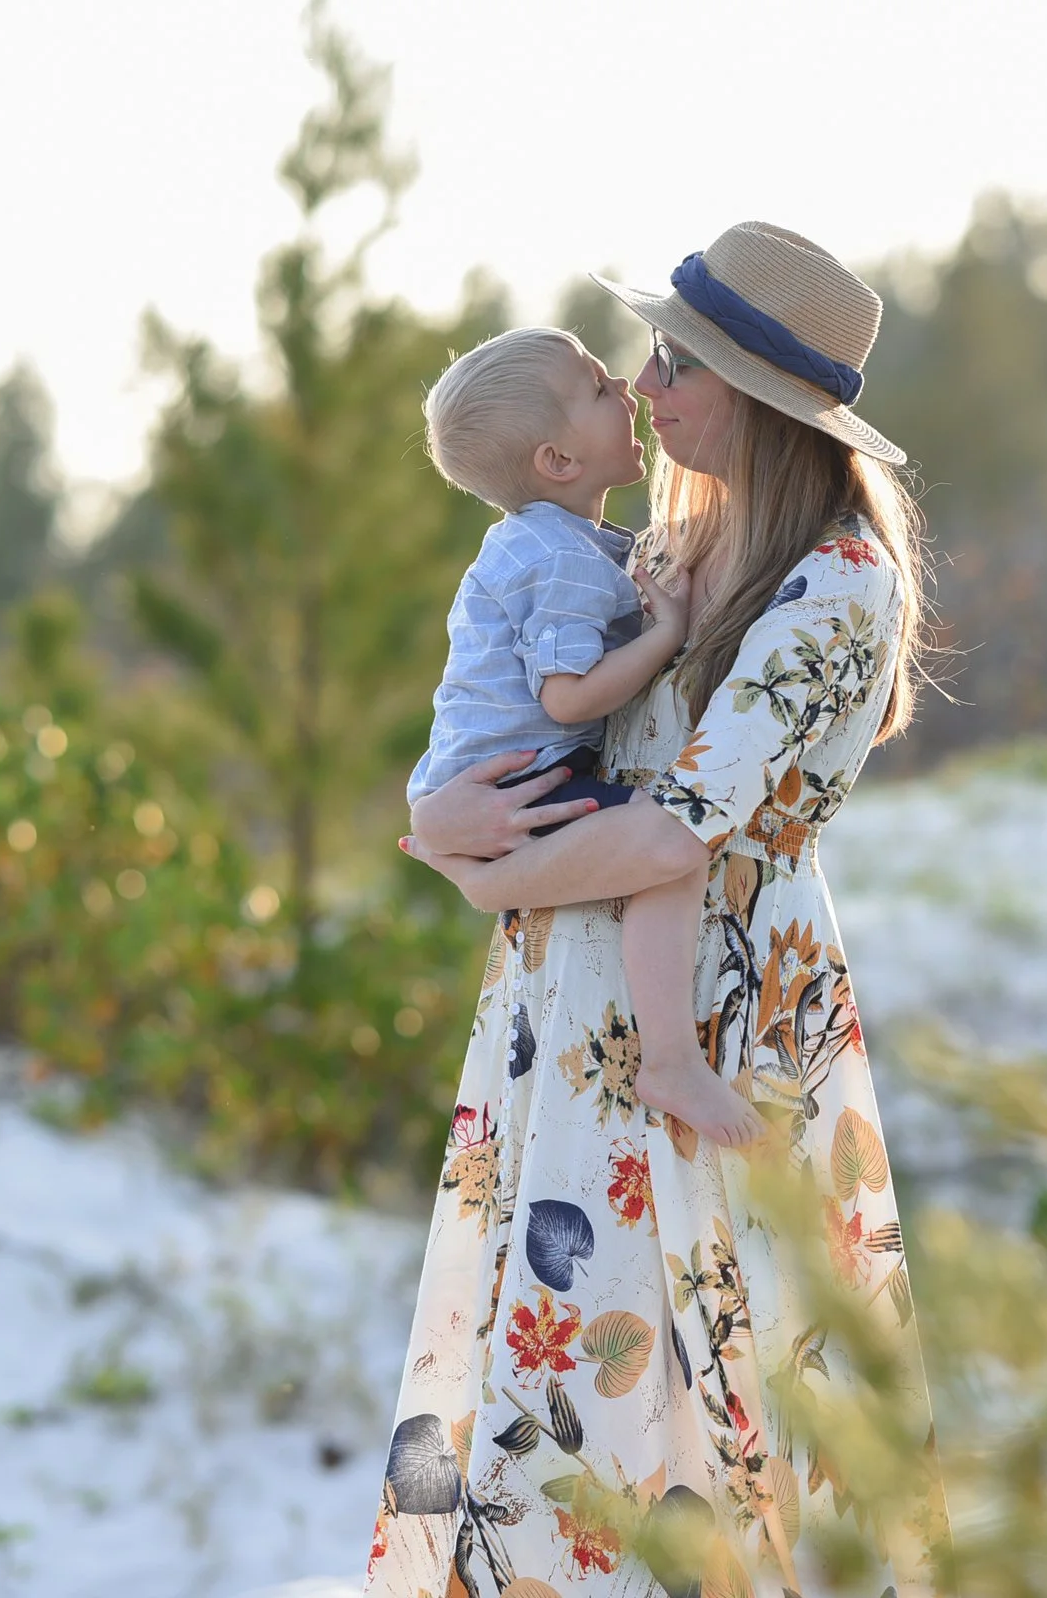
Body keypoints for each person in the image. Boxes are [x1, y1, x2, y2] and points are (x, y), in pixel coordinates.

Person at [365, 222, 947, 1598]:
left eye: (674, 363)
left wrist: (472, 863)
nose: (643, 386)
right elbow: (507, 703)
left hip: (727, 1000)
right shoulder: (669, 548)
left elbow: (687, 827)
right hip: (576, 1005)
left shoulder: (840, 583)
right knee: (574, 1359)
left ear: (754, 395)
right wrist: (438, 808)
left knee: (734, 1355)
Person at [410, 326, 762, 1148]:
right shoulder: (559, 559)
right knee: (668, 852)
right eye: (602, 388)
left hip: (493, 777)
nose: (631, 391)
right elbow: (567, 700)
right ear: (558, 461)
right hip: (524, 777)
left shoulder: (553, 545)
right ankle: (670, 1059)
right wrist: (663, 634)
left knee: (658, 843)